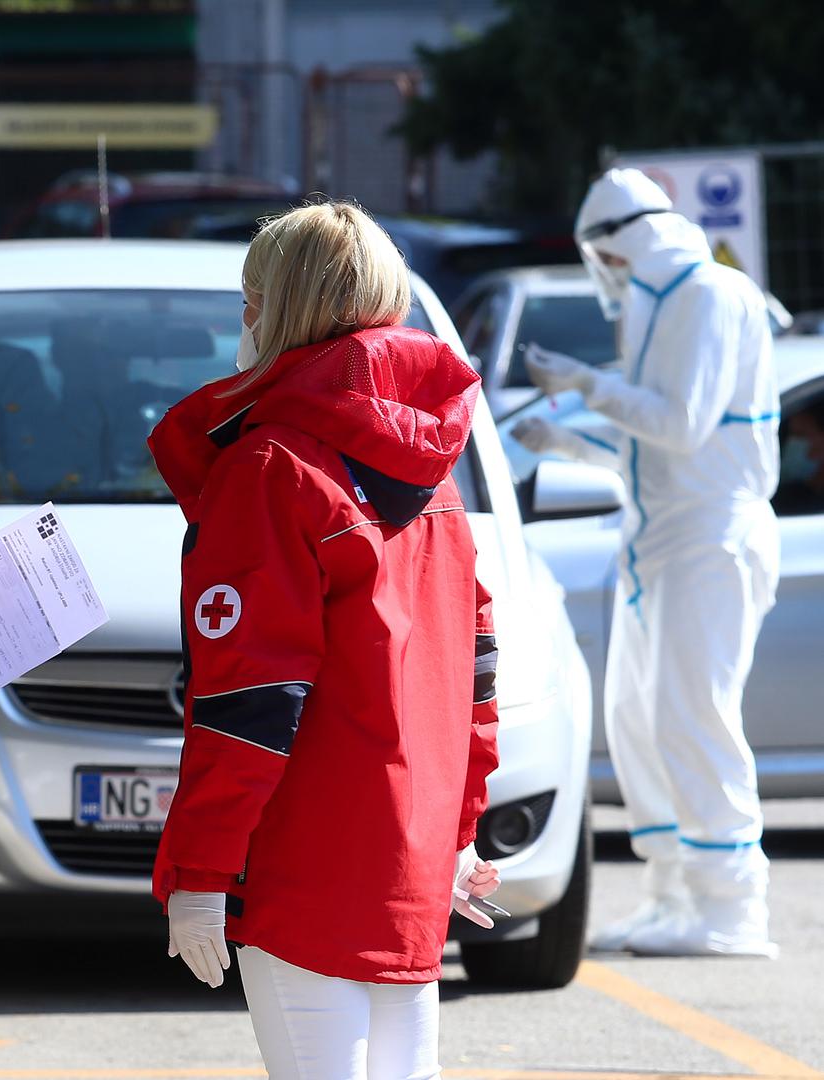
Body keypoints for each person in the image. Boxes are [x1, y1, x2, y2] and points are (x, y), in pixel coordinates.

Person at [148, 202, 502, 1080]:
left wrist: (198, 867)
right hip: (409, 856)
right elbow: (474, 673)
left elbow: (248, 697)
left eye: (249, 298)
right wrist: (455, 832)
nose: (243, 319)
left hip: (306, 854)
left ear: (274, 309)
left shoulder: (270, 468)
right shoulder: (433, 471)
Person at [513, 168, 780, 958]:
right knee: (637, 716)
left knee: (693, 714)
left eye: (609, 257)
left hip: (709, 536)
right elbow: (648, 449)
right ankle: (672, 893)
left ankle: (732, 908)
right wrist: (564, 438)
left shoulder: (704, 295)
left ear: (623, 241)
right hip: (661, 533)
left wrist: (586, 386)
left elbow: (684, 425)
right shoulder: (661, 301)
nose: (610, 273)